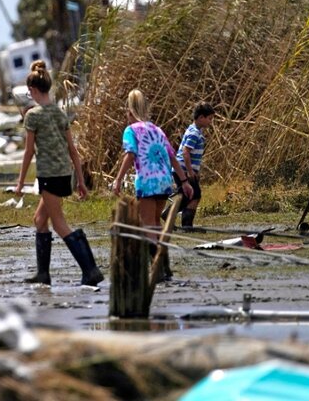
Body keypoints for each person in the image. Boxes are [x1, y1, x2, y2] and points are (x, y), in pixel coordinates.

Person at [13, 61, 103, 287]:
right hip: (65, 174)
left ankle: (90, 270)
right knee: (39, 220)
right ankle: (43, 275)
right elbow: (73, 150)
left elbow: (28, 151)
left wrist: (20, 182)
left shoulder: (33, 116)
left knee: (60, 224)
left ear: (33, 90)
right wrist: (80, 180)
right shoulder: (60, 114)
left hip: (50, 176)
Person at [112, 90, 193, 278]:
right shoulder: (157, 129)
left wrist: (118, 179)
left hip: (147, 182)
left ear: (130, 111)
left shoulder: (130, 130)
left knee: (147, 226)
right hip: (165, 182)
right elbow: (172, 156)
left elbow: (130, 153)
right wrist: (184, 181)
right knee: (156, 224)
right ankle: (162, 266)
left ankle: (159, 269)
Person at [164, 102, 215, 230]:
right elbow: (186, 152)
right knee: (193, 194)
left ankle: (186, 225)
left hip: (186, 169)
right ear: (201, 117)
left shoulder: (196, 131)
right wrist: (190, 171)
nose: (211, 122)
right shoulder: (194, 133)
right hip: (183, 170)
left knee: (193, 195)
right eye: (209, 118)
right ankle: (170, 215)